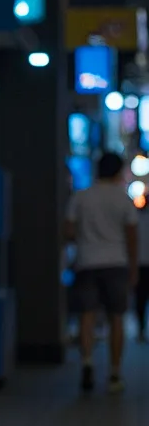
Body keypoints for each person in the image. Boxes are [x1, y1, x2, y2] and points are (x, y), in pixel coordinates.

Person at [65, 151, 138, 392]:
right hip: (116, 263)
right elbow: (131, 237)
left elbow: (68, 231)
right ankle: (115, 373)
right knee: (116, 317)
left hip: (87, 262)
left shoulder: (81, 197)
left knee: (87, 314)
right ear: (118, 171)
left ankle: (87, 362)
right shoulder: (123, 199)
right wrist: (133, 268)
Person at [136, 199, 149, 342]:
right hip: (141, 263)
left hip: (140, 264)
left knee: (140, 299)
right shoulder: (137, 218)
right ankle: (141, 328)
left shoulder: (137, 219)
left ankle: (141, 329)